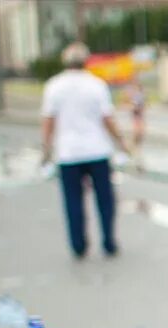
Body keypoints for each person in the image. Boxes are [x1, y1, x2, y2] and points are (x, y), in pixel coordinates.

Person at [41, 42, 129, 259]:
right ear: (85, 61)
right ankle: (108, 240)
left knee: (73, 201)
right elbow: (106, 118)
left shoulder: (54, 86)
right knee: (105, 199)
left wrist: (46, 149)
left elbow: (49, 121)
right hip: (97, 150)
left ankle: (78, 244)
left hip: (68, 153)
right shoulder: (96, 85)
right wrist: (120, 141)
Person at [126, 79, 146, 166]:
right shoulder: (135, 95)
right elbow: (134, 107)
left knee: (138, 138)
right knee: (136, 137)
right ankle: (130, 153)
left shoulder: (139, 94)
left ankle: (134, 154)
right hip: (137, 119)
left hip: (140, 119)